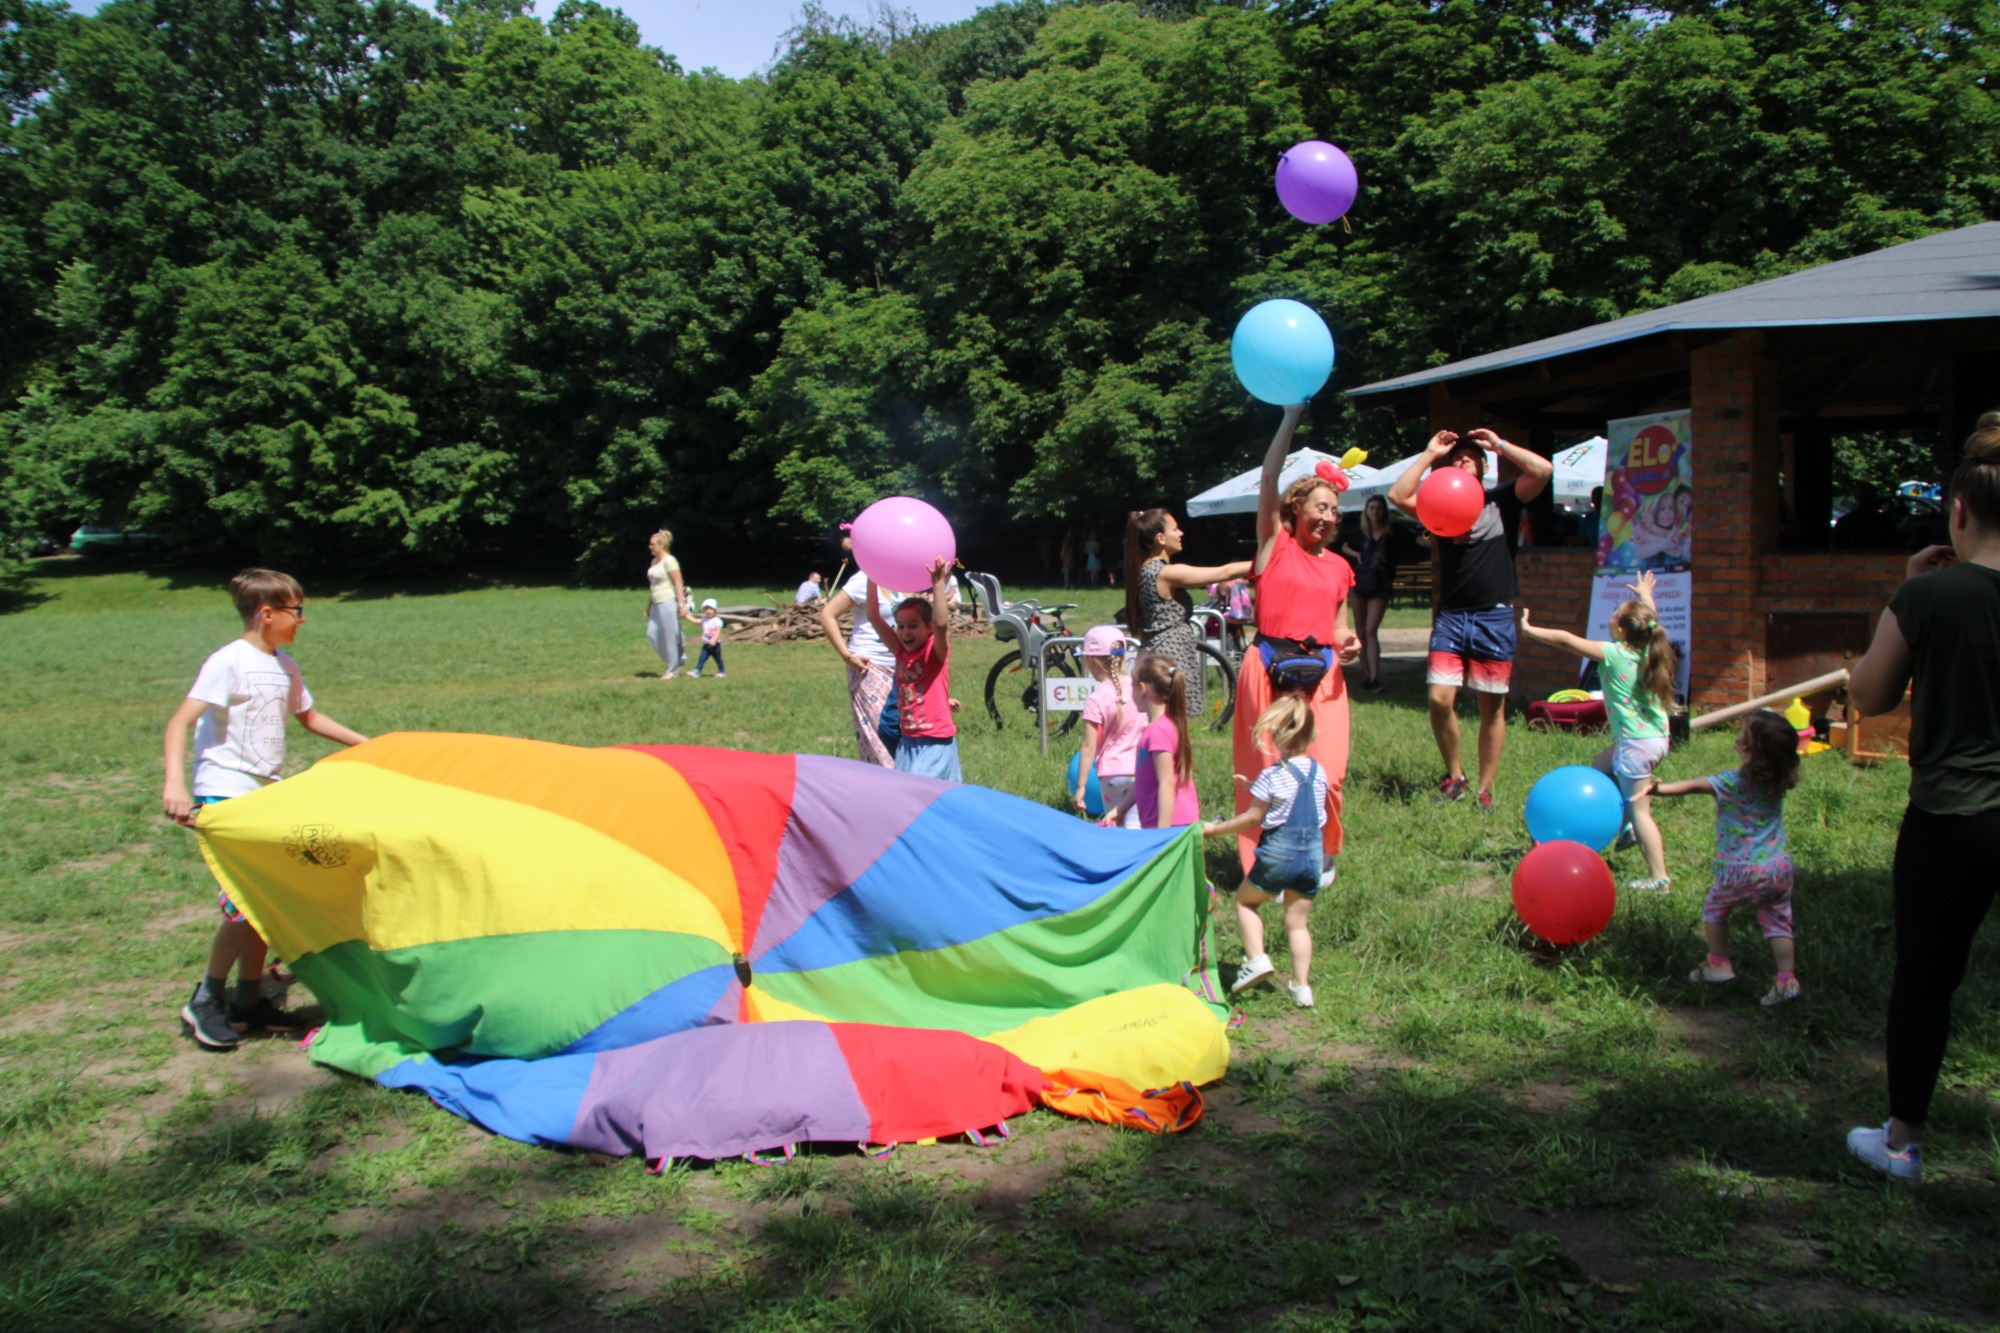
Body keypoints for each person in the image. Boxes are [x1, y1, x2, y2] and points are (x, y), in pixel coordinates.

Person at [1841, 410, 2000, 1184]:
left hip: (1952, 818)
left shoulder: (1930, 599)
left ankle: (1902, 1142)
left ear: (1959, 511)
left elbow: (1869, 696)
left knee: (1926, 978)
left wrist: (1900, 599)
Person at [162, 568, 370, 1050]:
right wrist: (175, 782)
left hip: (264, 795)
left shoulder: (285, 665)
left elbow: (309, 716)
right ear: (267, 613)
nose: (302, 619)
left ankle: (248, 1002)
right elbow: (179, 723)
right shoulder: (228, 661)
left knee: (265, 903)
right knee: (245, 903)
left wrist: (372, 745)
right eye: (296, 610)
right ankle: (207, 1000)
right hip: (223, 792)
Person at [1388, 427, 1553, 812]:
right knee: (1439, 699)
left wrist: (1499, 446)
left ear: (1482, 467)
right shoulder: (1437, 503)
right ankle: (1455, 777)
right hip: (1451, 615)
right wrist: (1430, 453)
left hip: (1493, 616)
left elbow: (1542, 471)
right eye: (1455, 458)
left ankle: (1484, 789)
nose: (1462, 460)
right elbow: (1397, 496)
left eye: (1469, 457)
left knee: (1490, 708)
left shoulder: (1503, 501)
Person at [1232, 404, 1360, 883]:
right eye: (1320, 507)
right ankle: (1267, 862)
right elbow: (1269, 474)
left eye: (1334, 510)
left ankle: (1319, 852)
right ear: (1296, 509)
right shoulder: (1275, 543)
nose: (1329, 517)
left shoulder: (1339, 567)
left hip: (1323, 675)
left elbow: (1339, 625)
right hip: (1267, 667)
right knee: (1265, 770)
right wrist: (1290, 416)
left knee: (1329, 771)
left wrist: (1348, 644)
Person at [1517, 569, 1678, 892]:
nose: (1610, 618)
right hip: (1656, 739)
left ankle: (1658, 876)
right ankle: (1627, 818)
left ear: (1620, 630)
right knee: (1597, 769)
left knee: (1642, 811)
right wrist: (1645, 594)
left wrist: (1529, 630)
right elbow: (1650, 617)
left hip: (1636, 745)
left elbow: (1566, 641)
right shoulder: (1649, 647)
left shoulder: (1614, 654)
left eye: (1614, 616)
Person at [1648, 710, 1803, 1006]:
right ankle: (1786, 979)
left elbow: (1694, 786)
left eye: (1741, 742)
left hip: (1740, 870)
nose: (1735, 743)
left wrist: (1658, 789)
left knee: (1715, 909)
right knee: (1778, 923)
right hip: (1777, 868)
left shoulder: (1731, 781)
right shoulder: (1779, 780)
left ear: (1750, 753)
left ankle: (1718, 963)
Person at [1204, 696, 1329, 1009]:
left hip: (1279, 855)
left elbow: (1254, 818)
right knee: (1297, 923)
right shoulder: (1319, 773)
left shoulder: (1274, 775)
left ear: (1275, 736)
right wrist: (1253, 786)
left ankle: (1256, 959)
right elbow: (1294, 799)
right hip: (1312, 857)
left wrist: (1215, 829)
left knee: (1245, 903)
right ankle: (1302, 988)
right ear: (1312, 735)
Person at [1125, 511, 1252, 721]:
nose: (1181, 533)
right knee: (1170, 730)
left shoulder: (1144, 569)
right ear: (1160, 538)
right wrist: (1269, 562)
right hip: (1170, 655)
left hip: (1155, 653)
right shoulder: (1165, 573)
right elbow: (1224, 572)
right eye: (1175, 529)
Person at [866, 558, 961, 781]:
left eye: (913, 625)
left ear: (928, 628)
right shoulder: (900, 651)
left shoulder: (935, 652)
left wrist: (938, 584)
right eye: (900, 626)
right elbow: (873, 616)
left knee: (924, 796)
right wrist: (872, 577)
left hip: (934, 741)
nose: (905, 632)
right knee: (907, 797)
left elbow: (941, 624)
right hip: (907, 742)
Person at [818, 567, 905, 766]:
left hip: (904, 667)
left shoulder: (905, 576)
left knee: (904, 733)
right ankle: (887, 788)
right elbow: (827, 615)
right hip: (869, 666)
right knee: (880, 736)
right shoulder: (862, 579)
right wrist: (847, 656)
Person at [1103, 651, 1199, 831]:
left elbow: (1167, 784)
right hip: (1165, 823)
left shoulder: (1158, 732)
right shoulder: (1158, 727)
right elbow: (1143, 779)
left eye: (1132, 686)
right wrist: (1120, 809)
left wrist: (1161, 833)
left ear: (1142, 688)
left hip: (1171, 825)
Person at [1075, 626, 1143, 828]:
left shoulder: (1096, 699)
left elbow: (1088, 747)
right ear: (1122, 658)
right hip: (1140, 769)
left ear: (1091, 661)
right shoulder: (1140, 689)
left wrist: (1080, 786)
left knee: (1115, 825)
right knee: (1136, 826)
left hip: (1112, 774)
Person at [1341, 494, 1396, 693]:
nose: (1375, 512)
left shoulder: (1391, 533)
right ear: (1366, 511)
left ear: (1384, 511)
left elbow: (1415, 541)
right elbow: (1344, 546)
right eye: (1371, 508)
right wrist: (1356, 555)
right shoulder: (1359, 533)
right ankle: (1367, 675)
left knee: (1371, 630)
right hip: (1359, 586)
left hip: (1380, 587)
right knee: (1361, 632)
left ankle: (1375, 676)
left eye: (1379, 508)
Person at [645, 529, 692, 679]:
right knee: (652, 634)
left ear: (661, 545)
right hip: (657, 602)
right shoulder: (654, 562)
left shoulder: (670, 561)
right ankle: (678, 659)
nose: (650, 547)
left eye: (652, 544)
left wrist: (681, 605)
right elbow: (653, 586)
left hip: (668, 602)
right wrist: (648, 606)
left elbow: (678, 583)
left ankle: (672, 670)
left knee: (670, 636)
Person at [692, 598, 726, 678]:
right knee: (702, 658)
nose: (708, 611)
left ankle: (722, 672)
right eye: (706, 609)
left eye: (710, 609)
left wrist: (714, 639)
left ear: (715, 610)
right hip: (706, 644)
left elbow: (718, 632)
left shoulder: (717, 620)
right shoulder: (704, 619)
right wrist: (686, 616)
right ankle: (697, 672)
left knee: (718, 659)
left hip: (715, 645)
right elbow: (694, 620)